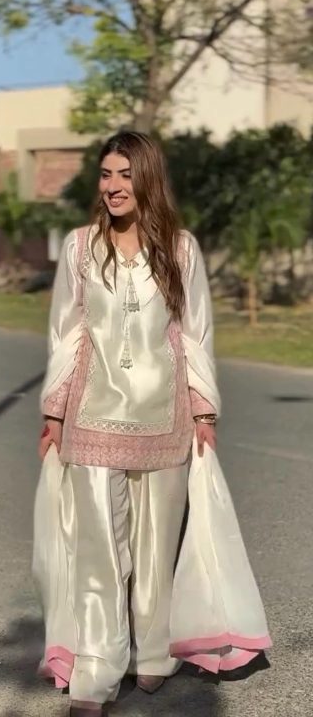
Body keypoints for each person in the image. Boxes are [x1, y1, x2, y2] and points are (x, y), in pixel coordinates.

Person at [33, 132, 271, 717]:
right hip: (92, 416)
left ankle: (155, 654)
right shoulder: (80, 247)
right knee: (99, 551)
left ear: (147, 179)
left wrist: (204, 410)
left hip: (164, 417)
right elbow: (67, 331)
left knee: (156, 547)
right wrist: (53, 412)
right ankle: (96, 669)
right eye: (105, 174)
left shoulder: (181, 249)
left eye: (124, 174)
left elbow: (194, 332)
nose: (113, 186)